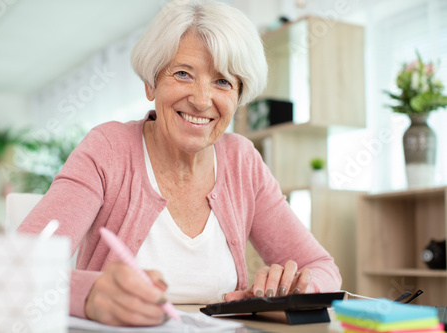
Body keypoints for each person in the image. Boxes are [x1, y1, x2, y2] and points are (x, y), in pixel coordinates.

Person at [18, 0, 342, 327]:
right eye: (184, 73)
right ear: (151, 82)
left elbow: (322, 267)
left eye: (223, 81)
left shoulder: (243, 161)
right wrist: (89, 294)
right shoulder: (108, 150)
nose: (202, 100)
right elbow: (18, 265)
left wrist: (290, 290)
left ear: (238, 96)